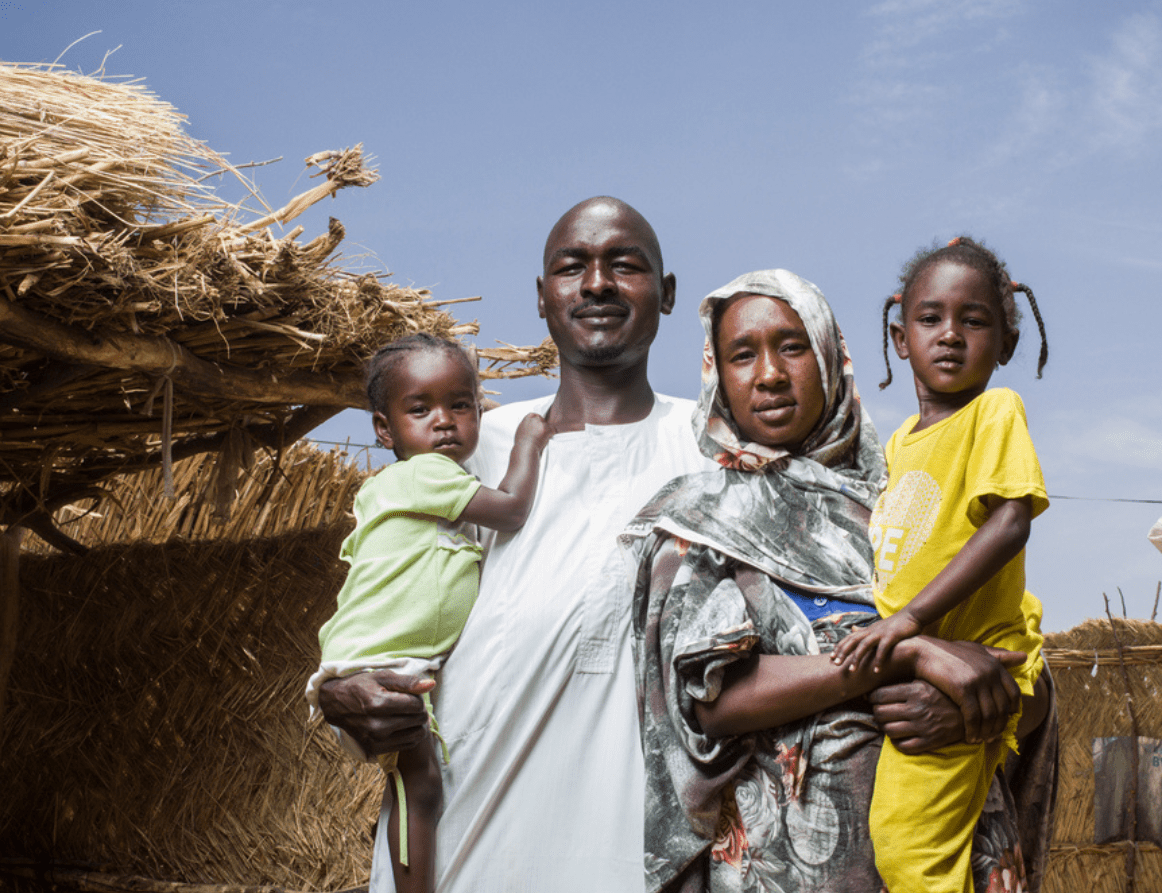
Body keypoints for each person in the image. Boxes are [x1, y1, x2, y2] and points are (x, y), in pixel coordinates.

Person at [316, 197, 715, 891]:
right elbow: (378, 613)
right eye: (572, 267)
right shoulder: (464, 457)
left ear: (669, 293)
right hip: (468, 857)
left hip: (639, 863)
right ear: (541, 297)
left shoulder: (713, 453)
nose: (596, 284)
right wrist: (340, 692)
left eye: (626, 265)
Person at [623, 268, 1057, 893]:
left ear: (830, 355)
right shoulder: (702, 525)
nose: (769, 373)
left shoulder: (906, 490)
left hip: (961, 850)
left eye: (792, 346)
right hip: (793, 870)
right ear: (716, 373)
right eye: (742, 354)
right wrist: (904, 652)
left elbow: (1012, 658)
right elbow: (714, 701)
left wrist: (975, 710)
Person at [831, 236, 1051, 892]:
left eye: (974, 320)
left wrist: (911, 623)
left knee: (909, 845)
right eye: (930, 319)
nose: (950, 335)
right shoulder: (894, 445)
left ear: (1006, 343)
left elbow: (1011, 520)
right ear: (900, 338)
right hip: (924, 669)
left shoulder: (994, 412)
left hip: (975, 664)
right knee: (918, 842)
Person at [306, 333, 552, 893]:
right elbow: (511, 510)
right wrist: (530, 441)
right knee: (422, 790)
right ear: (384, 430)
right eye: (421, 409)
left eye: (460, 405)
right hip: (384, 662)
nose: (444, 422)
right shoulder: (428, 474)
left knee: (410, 787)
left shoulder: (404, 486)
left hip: (368, 657)